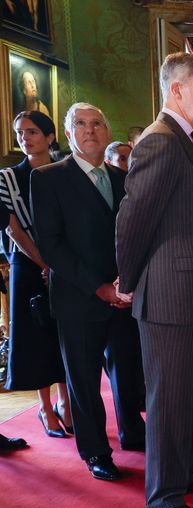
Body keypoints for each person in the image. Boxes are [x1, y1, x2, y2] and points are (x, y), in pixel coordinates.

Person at [116, 52, 193, 508]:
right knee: (168, 401)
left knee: (188, 396)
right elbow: (132, 222)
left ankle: (182, 475)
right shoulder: (162, 142)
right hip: (169, 297)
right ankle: (163, 500)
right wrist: (129, 281)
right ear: (177, 90)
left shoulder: (189, 143)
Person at [31, 103, 147, 481]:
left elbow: (132, 236)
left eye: (98, 123)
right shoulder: (48, 178)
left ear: (107, 130)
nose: (90, 130)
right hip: (79, 297)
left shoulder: (122, 177)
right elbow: (51, 244)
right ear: (68, 134)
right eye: (81, 124)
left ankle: (133, 432)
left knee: (128, 373)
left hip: (123, 296)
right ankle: (96, 451)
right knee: (83, 381)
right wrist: (97, 287)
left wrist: (125, 283)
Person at [0, 110, 68, 444]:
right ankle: (45, 407)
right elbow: (12, 228)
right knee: (38, 339)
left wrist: (59, 264)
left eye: (32, 132)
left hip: (66, 266)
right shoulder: (8, 178)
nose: (25, 138)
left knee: (66, 337)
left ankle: (67, 401)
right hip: (28, 268)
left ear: (50, 136)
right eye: (19, 133)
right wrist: (44, 264)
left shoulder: (65, 173)